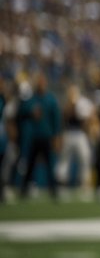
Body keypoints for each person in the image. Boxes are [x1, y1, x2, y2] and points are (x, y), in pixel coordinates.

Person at [17, 72, 61, 200]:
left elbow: (56, 120)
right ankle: (24, 189)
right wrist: (31, 112)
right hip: (35, 137)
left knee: (49, 164)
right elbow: (22, 112)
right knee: (30, 164)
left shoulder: (50, 99)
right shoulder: (31, 99)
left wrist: (56, 136)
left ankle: (53, 190)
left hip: (47, 137)